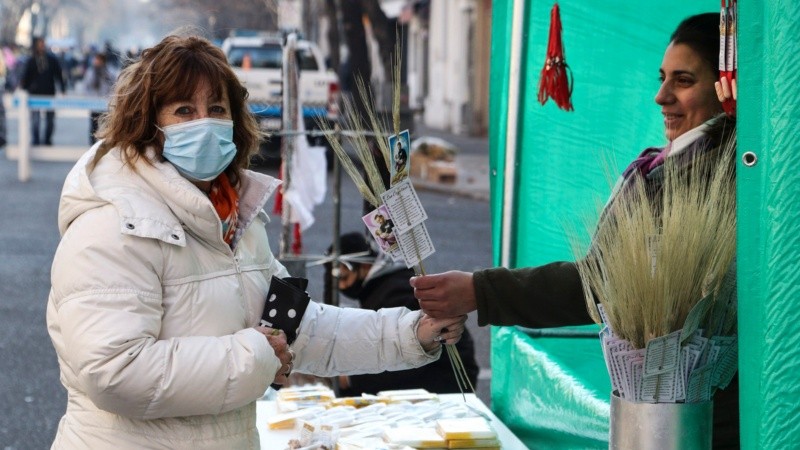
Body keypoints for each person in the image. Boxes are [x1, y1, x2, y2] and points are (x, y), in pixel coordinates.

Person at [45, 33, 467, 449]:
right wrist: (256, 357)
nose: (204, 123)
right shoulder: (112, 223)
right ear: (146, 123)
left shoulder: (234, 219)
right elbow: (114, 372)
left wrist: (412, 333)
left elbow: (300, 328)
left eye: (216, 109)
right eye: (183, 111)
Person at [410, 13, 739, 449]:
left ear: (726, 87)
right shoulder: (661, 169)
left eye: (682, 81)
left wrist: (480, 291)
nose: (661, 96)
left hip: (708, 421)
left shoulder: (722, 178)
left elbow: (602, 282)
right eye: (662, 78)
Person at [329, 232, 480, 396]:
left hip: (444, 381)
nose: (341, 286)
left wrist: (352, 378)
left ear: (364, 266)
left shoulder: (395, 293)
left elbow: (403, 353)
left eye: (344, 278)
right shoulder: (382, 286)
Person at [20, 36, 65, 146]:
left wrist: (63, 88)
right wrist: (25, 88)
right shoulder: (31, 60)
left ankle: (47, 139)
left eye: (43, 43)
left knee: (50, 120)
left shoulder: (52, 59)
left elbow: (58, 74)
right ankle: (36, 139)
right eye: (39, 44)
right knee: (35, 120)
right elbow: (26, 76)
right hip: (35, 94)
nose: (41, 46)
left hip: (49, 92)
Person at [81, 52, 117, 144]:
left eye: (97, 60)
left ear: (102, 61)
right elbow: (85, 87)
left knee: (106, 126)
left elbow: (116, 86)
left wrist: (110, 98)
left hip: (106, 105)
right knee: (93, 126)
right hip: (94, 104)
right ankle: (92, 144)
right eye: (95, 60)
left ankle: (105, 144)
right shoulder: (91, 72)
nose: (95, 62)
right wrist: (89, 98)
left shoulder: (110, 72)